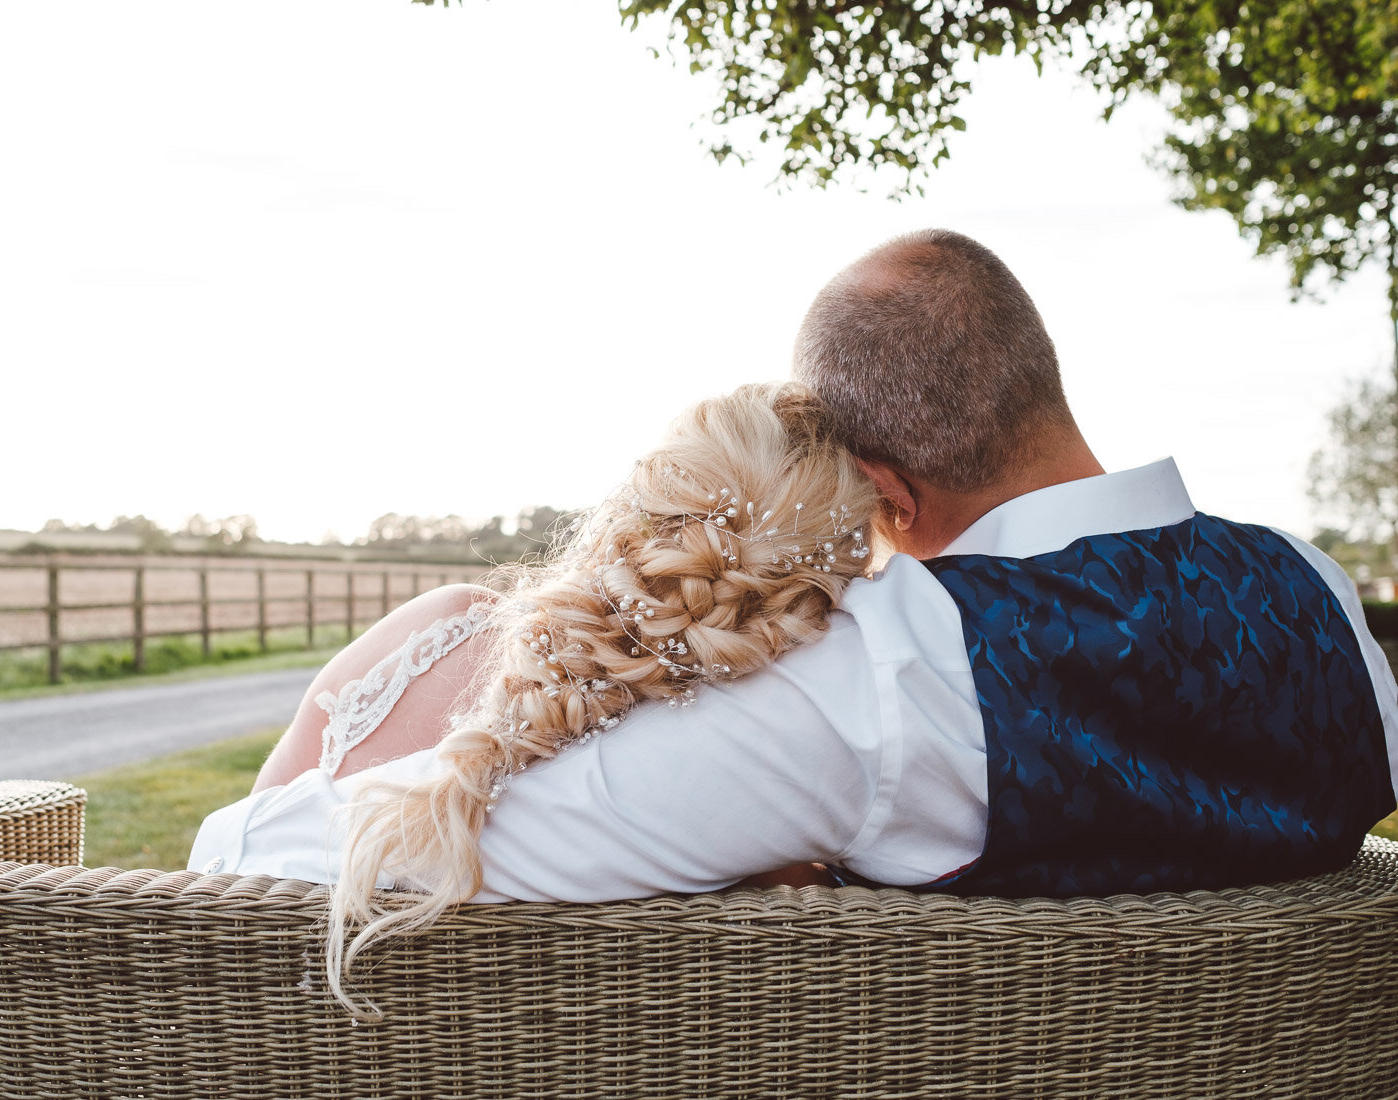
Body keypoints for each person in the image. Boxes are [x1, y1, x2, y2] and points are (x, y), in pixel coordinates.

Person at [192, 229, 1398, 1010]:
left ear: (884, 496)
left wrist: (247, 822)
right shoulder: (1321, 596)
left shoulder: (890, 682)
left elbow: (314, 864)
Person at [191, 380, 885, 1013]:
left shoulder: (438, 628)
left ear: (633, 517)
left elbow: (211, 891)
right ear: (817, 600)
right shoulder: (756, 816)